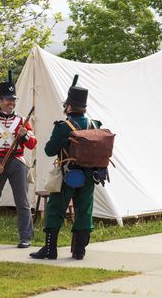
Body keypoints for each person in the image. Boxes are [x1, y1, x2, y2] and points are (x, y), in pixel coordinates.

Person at [30, 84, 101, 260]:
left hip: (68, 175)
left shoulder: (64, 126)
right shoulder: (95, 124)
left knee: (55, 209)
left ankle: (49, 250)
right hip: (90, 175)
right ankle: (79, 251)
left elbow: (49, 150)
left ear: (69, 106)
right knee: (84, 211)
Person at [0, 79, 37, 248]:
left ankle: (25, 238)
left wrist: (24, 135)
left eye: (13, 99)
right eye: (8, 99)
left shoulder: (22, 121)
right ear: (0, 101)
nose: (11, 103)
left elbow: (32, 143)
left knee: (22, 202)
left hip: (17, 162)